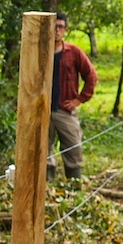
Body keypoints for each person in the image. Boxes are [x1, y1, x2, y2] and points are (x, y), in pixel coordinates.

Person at [49, 14, 98, 180]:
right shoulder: (41, 52)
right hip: (42, 109)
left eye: (60, 27)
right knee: (43, 152)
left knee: (73, 148)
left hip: (64, 109)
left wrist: (79, 99)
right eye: (54, 26)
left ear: (65, 30)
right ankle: (46, 187)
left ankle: (73, 186)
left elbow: (91, 75)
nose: (57, 30)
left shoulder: (73, 52)